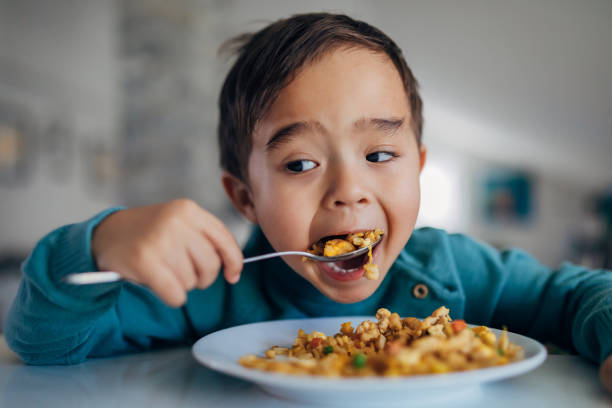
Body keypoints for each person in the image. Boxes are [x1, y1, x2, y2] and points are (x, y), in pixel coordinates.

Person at [5, 12, 612, 391]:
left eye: (380, 155)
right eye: (300, 164)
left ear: (420, 168)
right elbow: (42, 343)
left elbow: (578, 293)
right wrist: (99, 244)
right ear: (244, 197)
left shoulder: (452, 270)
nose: (349, 191)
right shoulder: (208, 289)